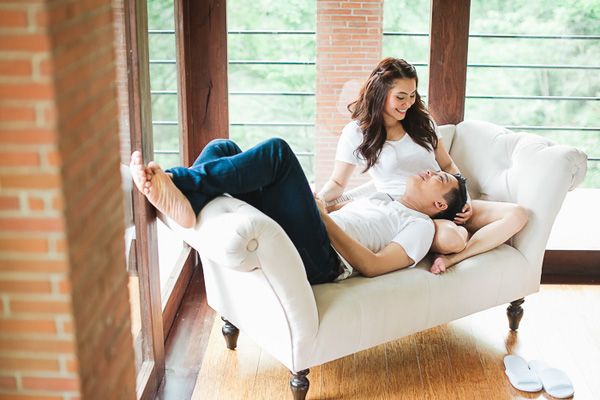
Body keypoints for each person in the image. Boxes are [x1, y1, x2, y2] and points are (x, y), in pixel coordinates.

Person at [129, 137, 467, 284]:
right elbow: (334, 202)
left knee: (278, 152)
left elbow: (373, 266)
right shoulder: (383, 199)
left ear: (439, 205)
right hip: (313, 235)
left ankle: (177, 180)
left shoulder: (421, 226)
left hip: (326, 262)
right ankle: (188, 208)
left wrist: (320, 218)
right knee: (223, 147)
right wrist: (318, 205)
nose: (427, 171)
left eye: (437, 177)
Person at [318, 57, 528, 274]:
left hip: (442, 197)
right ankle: (442, 247)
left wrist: (464, 197)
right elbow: (337, 181)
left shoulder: (422, 122)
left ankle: (454, 259)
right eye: (400, 97)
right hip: (407, 211)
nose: (408, 103)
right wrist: (318, 201)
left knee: (517, 214)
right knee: (450, 238)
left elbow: (446, 164)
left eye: (412, 95)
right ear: (380, 93)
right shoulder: (356, 133)